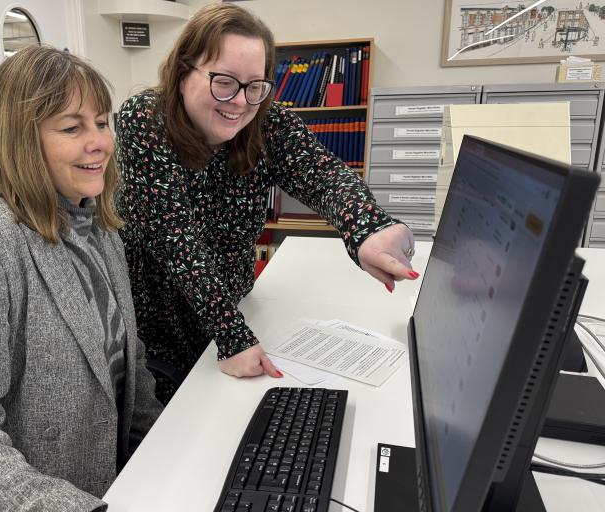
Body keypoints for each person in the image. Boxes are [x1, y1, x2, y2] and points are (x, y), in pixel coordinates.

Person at [116, 3, 419, 402]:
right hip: (157, 336)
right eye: (223, 82)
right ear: (182, 72)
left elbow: (324, 174)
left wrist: (366, 228)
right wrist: (232, 337)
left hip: (235, 311)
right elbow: (176, 240)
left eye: (255, 86)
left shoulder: (268, 122)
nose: (240, 102)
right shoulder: (144, 121)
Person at [0, 45, 163, 511]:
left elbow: (129, 372)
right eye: (72, 128)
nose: (100, 143)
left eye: (102, 122)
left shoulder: (100, 230)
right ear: (21, 140)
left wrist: (174, 452)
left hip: (118, 483)